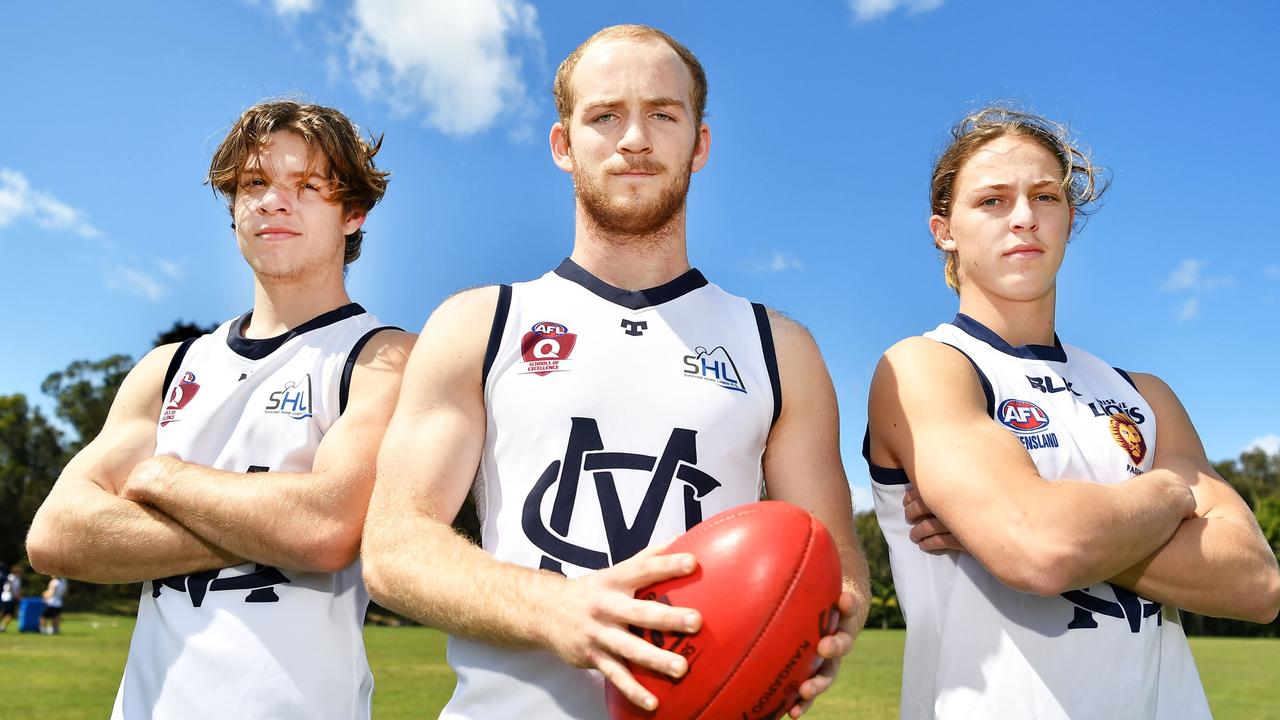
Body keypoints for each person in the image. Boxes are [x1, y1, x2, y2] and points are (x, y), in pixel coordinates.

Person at [361, 24, 869, 720]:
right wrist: (561, 610)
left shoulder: (779, 347)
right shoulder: (480, 323)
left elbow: (833, 558)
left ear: (701, 143)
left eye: (664, 114)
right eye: (605, 116)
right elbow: (393, 548)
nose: (635, 139)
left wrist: (817, 626)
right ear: (563, 146)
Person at [864, 107, 1280, 719]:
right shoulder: (928, 367)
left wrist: (1047, 522)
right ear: (943, 230)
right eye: (992, 201)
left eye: (1046, 196)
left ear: (1068, 217)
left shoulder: (1146, 393)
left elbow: (1258, 583)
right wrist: (1166, 496)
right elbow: (1040, 549)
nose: (1024, 217)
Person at [25, 100, 414, 719]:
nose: (273, 202)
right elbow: (56, 535)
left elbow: (325, 530)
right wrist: (267, 523)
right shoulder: (167, 369)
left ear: (354, 213)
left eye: (308, 185)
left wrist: (163, 479)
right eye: (255, 183)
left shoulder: (383, 359)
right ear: (233, 205)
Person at [0, 562, 21, 632]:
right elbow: (9, 588)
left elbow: (17, 589)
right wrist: (15, 595)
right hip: (7, 598)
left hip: (11, 598)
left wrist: (18, 596)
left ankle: (2, 627)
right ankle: (2, 627)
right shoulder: (11, 577)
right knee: (4, 613)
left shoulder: (17, 579)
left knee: (9, 614)